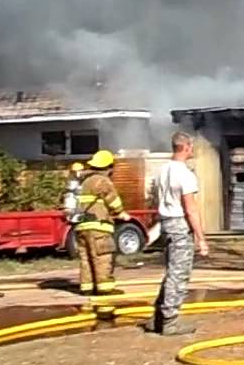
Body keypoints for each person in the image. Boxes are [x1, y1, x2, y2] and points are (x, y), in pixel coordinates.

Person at [143, 131, 209, 335]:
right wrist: (201, 238)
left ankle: (158, 317)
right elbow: (190, 208)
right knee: (179, 273)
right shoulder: (185, 174)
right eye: (191, 146)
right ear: (186, 147)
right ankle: (170, 321)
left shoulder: (163, 171)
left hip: (167, 223)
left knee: (171, 271)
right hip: (180, 225)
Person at [73, 151, 130, 295]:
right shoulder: (102, 181)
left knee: (86, 259)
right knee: (102, 258)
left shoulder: (84, 182)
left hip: (81, 226)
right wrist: (121, 212)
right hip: (98, 226)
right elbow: (113, 200)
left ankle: (87, 288)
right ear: (108, 167)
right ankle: (105, 289)